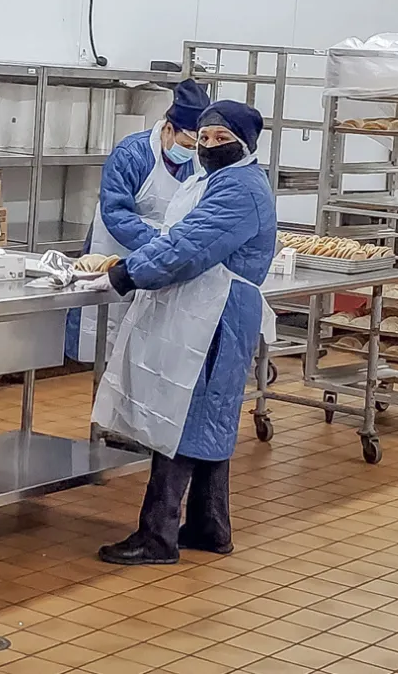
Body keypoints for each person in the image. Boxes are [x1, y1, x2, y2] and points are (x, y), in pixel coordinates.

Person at [84, 100, 277, 566]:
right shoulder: (216, 179)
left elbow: (190, 246)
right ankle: (210, 527)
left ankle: (158, 537)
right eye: (205, 137)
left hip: (215, 314)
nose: (209, 146)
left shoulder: (241, 190)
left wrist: (127, 273)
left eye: (220, 140)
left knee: (183, 419)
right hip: (207, 309)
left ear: (245, 145)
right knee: (209, 418)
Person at [65, 79, 208, 362]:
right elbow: (115, 212)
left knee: (144, 344)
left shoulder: (196, 162)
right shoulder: (132, 154)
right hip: (116, 249)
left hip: (160, 259)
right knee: (105, 331)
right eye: (185, 143)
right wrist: (159, 243)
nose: (190, 151)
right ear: (168, 128)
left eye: (195, 145)